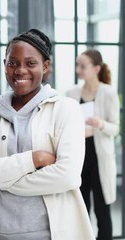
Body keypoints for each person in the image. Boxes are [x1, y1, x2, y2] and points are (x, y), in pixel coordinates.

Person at [0, 29, 95, 239]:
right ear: (5, 64)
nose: (20, 70)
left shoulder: (66, 109)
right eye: (12, 63)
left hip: (51, 234)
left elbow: (67, 176)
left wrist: (0, 180)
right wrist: (33, 159)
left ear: (45, 67)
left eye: (30, 63)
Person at [66, 48, 120, 240]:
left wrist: (101, 124)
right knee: (81, 209)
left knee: (102, 209)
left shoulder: (108, 93)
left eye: (82, 65)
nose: (78, 69)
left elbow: (115, 128)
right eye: (77, 65)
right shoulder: (71, 93)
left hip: (100, 158)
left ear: (96, 69)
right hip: (79, 157)